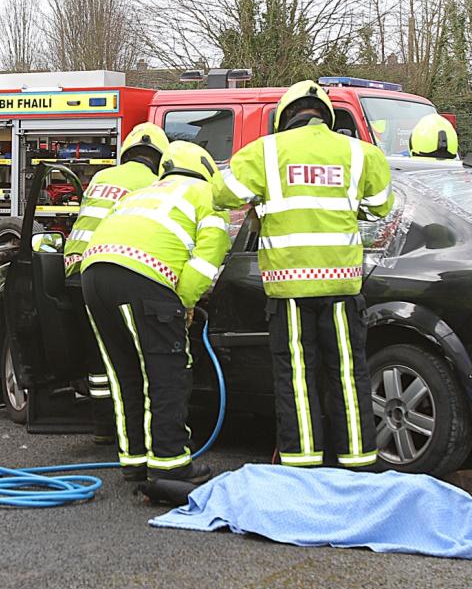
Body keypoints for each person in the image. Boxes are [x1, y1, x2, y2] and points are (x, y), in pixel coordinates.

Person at [212, 80, 393, 469]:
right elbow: (380, 206)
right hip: (343, 285)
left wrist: (263, 200)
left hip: (289, 288)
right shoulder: (360, 154)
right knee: (347, 371)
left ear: (285, 117)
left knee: (296, 375)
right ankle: (359, 458)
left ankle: (302, 460)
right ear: (325, 116)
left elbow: (221, 194)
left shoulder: (265, 152)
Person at [81, 140, 231, 483]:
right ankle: (170, 461)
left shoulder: (141, 194)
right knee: (167, 372)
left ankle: (134, 460)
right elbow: (206, 264)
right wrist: (185, 302)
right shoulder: (208, 197)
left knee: (125, 373)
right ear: (208, 171)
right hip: (145, 278)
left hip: (95, 274)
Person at [64, 122, 170, 443]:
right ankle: (130, 428)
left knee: (98, 355)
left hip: (74, 271)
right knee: (125, 354)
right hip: (117, 268)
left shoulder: (101, 177)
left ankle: (103, 426)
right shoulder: (155, 184)